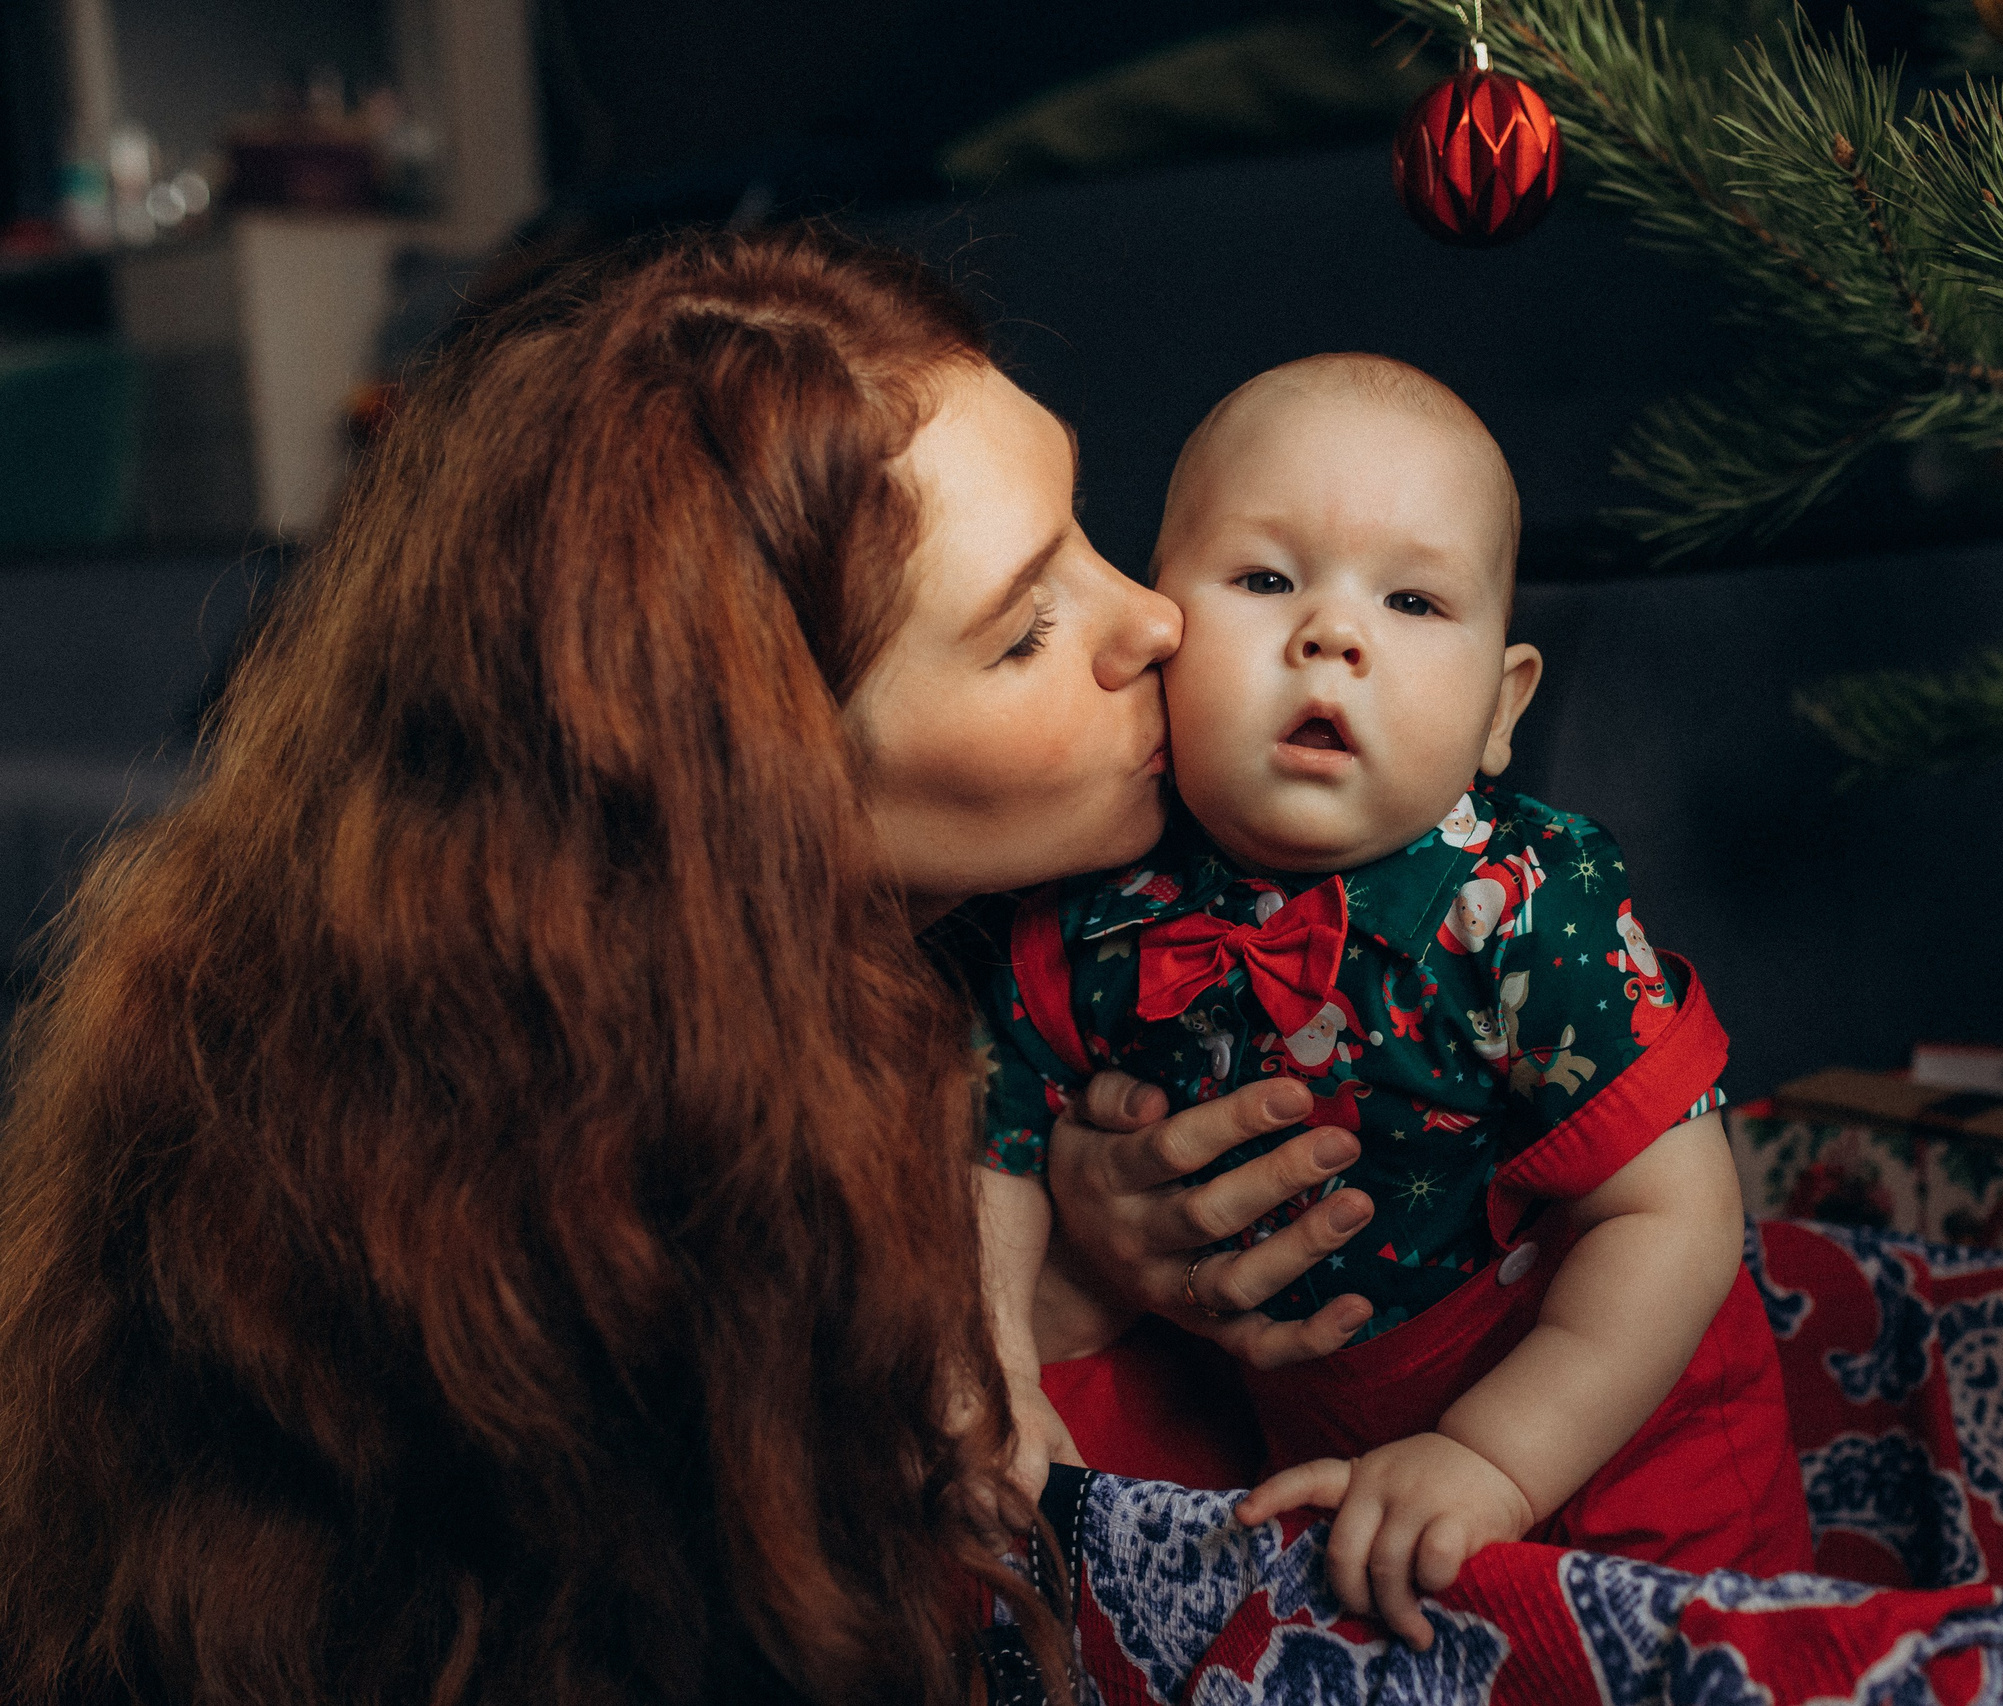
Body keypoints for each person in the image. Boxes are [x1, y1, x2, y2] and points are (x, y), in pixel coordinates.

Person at [0, 226, 1373, 1706]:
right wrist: (993, 1320)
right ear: (763, 795)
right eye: (1026, 627)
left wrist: (1043, 1281)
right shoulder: (553, 1247)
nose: (1156, 621)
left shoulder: (1074, 937)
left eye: (1086, 526)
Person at [966, 356, 1804, 1647]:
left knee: (1676, 1652)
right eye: (1264, 579)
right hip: (1310, 1412)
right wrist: (1004, 1366)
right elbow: (996, 1132)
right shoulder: (1098, 904)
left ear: (1500, 709)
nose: (1332, 634)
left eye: (1413, 600)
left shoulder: (1529, 907)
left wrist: (1493, 1459)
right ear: (1159, 631)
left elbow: (1676, 1214)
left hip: (1614, 1408)